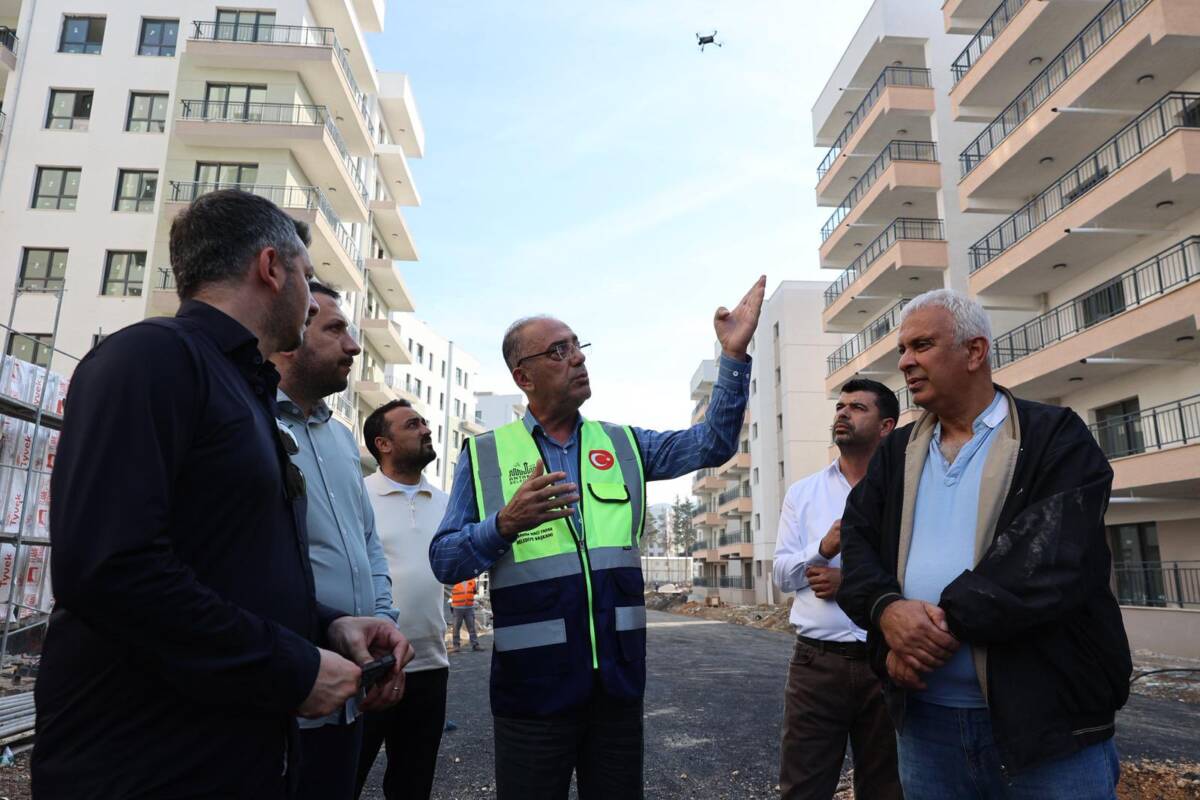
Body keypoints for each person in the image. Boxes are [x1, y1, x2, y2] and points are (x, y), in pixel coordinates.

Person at [34, 189, 412, 799]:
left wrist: (327, 628)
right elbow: (110, 568)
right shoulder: (150, 357)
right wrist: (290, 667)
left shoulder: (243, 390)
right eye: (306, 276)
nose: (310, 298)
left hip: (232, 752)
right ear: (271, 267)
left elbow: (227, 568)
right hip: (146, 765)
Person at [430, 276, 765, 800]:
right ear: (523, 376)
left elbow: (713, 443)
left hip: (616, 689)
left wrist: (733, 357)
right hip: (531, 694)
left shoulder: (625, 444)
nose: (578, 358)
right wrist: (504, 524)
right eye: (558, 351)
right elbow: (445, 561)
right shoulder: (484, 455)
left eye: (577, 346)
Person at [837, 289, 1131, 799]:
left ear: (974, 351)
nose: (904, 362)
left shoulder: (1054, 436)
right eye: (903, 350)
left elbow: (1052, 558)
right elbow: (858, 541)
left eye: (921, 345)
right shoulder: (896, 452)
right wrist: (887, 612)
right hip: (928, 727)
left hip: (1048, 728)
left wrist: (925, 633)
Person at [272, 283, 407, 799]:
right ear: (289, 334)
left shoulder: (342, 439)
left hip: (351, 690)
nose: (353, 346)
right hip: (288, 691)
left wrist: (383, 628)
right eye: (335, 330)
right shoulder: (249, 422)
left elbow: (367, 543)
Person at [773, 379, 901, 800]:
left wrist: (852, 586)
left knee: (887, 788)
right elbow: (782, 575)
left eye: (858, 407)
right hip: (817, 664)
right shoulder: (803, 493)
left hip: (887, 660)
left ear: (886, 426)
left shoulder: (904, 490)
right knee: (803, 788)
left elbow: (922, 570)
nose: (843, 413)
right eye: (840, 406)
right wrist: (822, 549)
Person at [354, 399, 451, 800]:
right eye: (412, 425)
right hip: (367, 664)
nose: (426, 429)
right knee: (343, 779)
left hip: (430, 666)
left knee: (413, 786)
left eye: (424, 422)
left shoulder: (446, 503)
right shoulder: (357, 496)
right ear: (383, 444)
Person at [450, 578, 482, 652]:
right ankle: (456, 646)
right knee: (456, 628)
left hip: (469, 608)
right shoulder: (454, 580)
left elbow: (474, 592)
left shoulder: (472, 581)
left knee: (471, 627)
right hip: (457, 608)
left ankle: (475, 645)